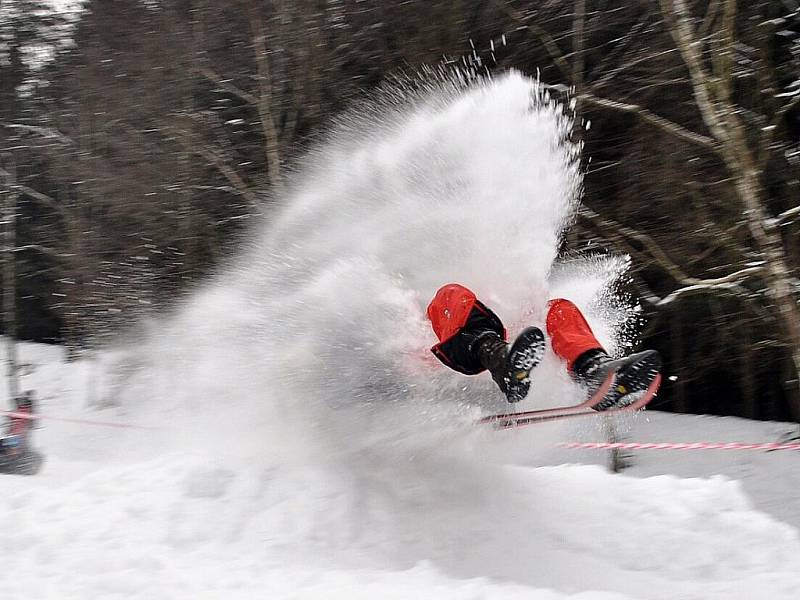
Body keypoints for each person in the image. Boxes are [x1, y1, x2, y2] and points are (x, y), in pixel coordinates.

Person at [427, 283, 661, 408]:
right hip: (454, 375)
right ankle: (502, 363)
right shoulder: (414, 318)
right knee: (452, 294)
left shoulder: (496, 291)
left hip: (513, 371)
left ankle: (595, 371)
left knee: (557, 308)